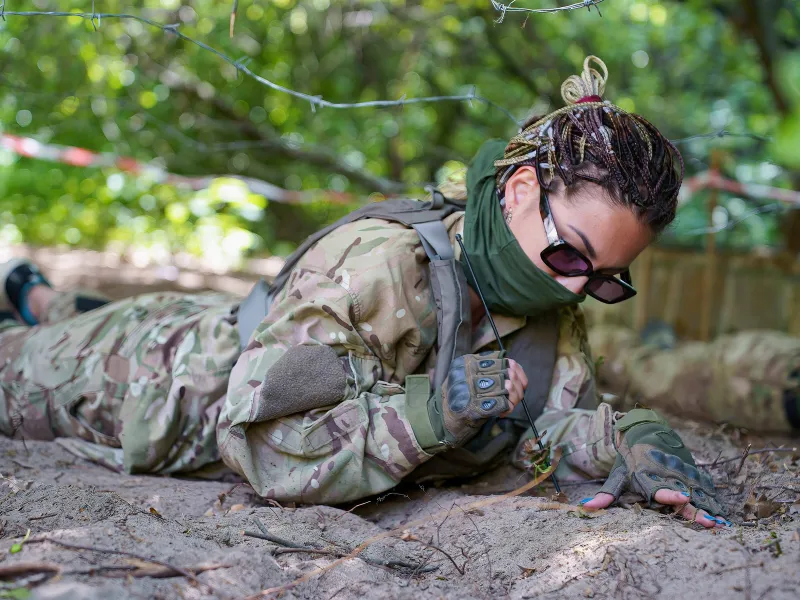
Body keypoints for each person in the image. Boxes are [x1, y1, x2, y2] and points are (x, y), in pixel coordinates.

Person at [0, 56, 729, 527]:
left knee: (60, 311)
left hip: (227, 330)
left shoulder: (552, 310)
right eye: (571, 252)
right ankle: (38, 303)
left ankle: (38, 294)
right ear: (516, 190)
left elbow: (537, 433)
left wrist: (627, 440)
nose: (575, 285)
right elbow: (264, 439)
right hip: (151, 378)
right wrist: (436, 410)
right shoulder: (384, 264)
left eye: (604, 278)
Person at [589, 322, 800, 433]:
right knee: (648, 370)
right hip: (755, 371)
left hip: (755, 377)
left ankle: (662, 344)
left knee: (652, 370)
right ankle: (661, 344)